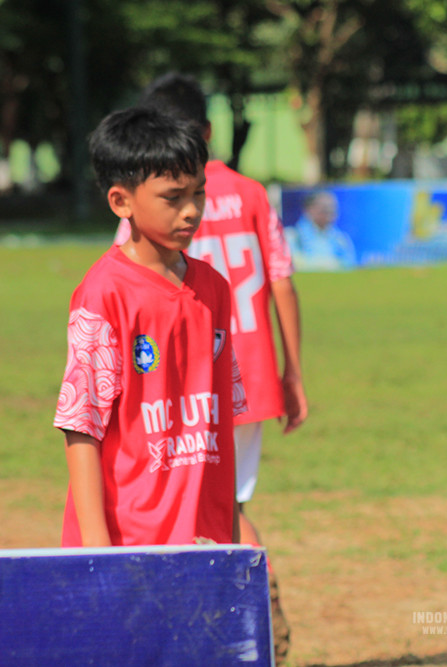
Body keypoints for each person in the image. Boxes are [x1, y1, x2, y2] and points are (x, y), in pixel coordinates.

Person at [112, 72, 303, 664]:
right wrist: (293, 371)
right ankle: (248, 621)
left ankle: (255, 619)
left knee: (210, 508)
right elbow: (280, 279)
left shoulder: (156, 187)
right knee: (225, 505)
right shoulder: (248, 191)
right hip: (252, 371)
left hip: (187, 379)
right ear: (209, 128)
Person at [54, 106, 245, 548]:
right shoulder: (103, 294)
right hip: (129, 543)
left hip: (205, 541)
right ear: (121, 201)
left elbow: (222, 425)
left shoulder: (214, 289)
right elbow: (82, 426)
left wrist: (230, 536)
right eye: (173, 197)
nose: (192, 211)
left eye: (199, 193)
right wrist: (99, 553)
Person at [289, 190, 357, 269]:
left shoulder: (340, 239)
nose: (330, 212)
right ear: (309, 209)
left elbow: (350, 266)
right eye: (325, 208)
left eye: (333, 209)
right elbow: (295, 264)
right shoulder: (293, 236)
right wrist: (333, 263)